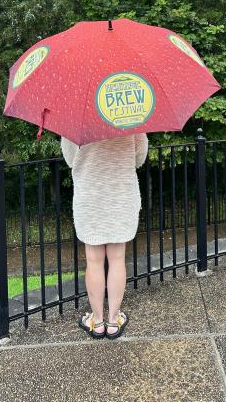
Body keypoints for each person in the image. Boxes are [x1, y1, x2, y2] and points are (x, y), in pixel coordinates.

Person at [61, 132, 149, 340]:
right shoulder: (131, 116)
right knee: (118, 260)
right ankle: (113, 320)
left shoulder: (76, 118)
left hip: (90, 197)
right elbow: (139, 158)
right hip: (121, 196)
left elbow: (70, 158)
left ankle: (97, 322)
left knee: (94, 261)